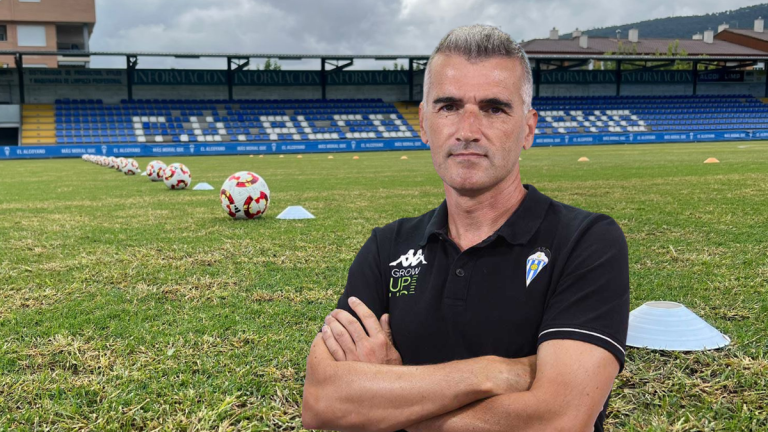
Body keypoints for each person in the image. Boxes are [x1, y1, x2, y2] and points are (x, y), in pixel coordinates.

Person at [302, 24, 629, 432]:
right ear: (424, 123)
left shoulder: (586, 241)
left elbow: (559, 419)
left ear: (528, 128)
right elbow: (322, 400)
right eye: (449, 106)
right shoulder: (387, 247)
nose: (468, 130)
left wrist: (391, 398)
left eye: (494, 108)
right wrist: (491, 373)